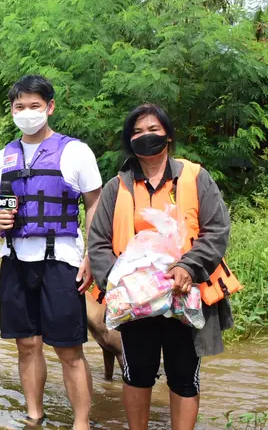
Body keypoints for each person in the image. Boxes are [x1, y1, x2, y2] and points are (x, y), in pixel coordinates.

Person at [88, 104, 233, 430]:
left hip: (185, 294)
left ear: (168, 135)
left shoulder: (196, 178)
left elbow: (217, 230)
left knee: (184, 376)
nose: (145, 137)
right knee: (137, 374)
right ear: (128, 140)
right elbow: (98, 242)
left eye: (153, 130)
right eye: (137, 132)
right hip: (135, 301)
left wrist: (188, 267)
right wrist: (120, 282)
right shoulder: (117, 187)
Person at [0, 75, 101, 429]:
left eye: (35, 106)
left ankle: (81, 423)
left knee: (69, 350)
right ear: (12, 110)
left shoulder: (75, 151)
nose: (27, 113)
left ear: (49, 107)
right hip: (16, 260)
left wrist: (93, 254)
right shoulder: (4, 156)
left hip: (61, 260)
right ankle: (34, 416)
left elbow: (94, 203)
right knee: (27, 345)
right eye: (20, 107)